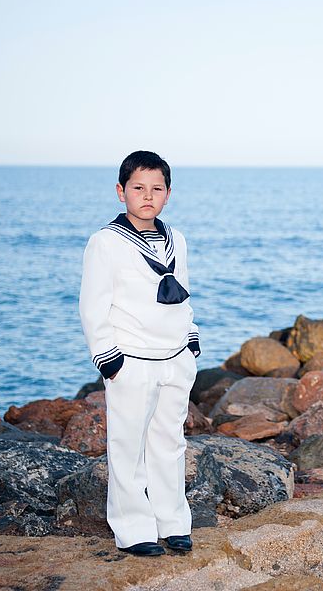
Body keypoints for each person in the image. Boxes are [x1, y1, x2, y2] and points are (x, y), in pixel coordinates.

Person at [79, 150, 200, 556]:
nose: (147, 196)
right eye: (138, 188)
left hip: (174, 357)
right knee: (127, 448)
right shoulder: (105, 242)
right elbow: (93, 306)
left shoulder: (176, 239)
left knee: (170, 442)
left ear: (168, 193)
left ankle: (172, 521)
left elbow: (183, 293)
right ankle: (134, 530)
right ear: (121, 191)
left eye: (156, 188)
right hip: (132, 360)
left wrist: (191, 339)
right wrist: (109, 358)